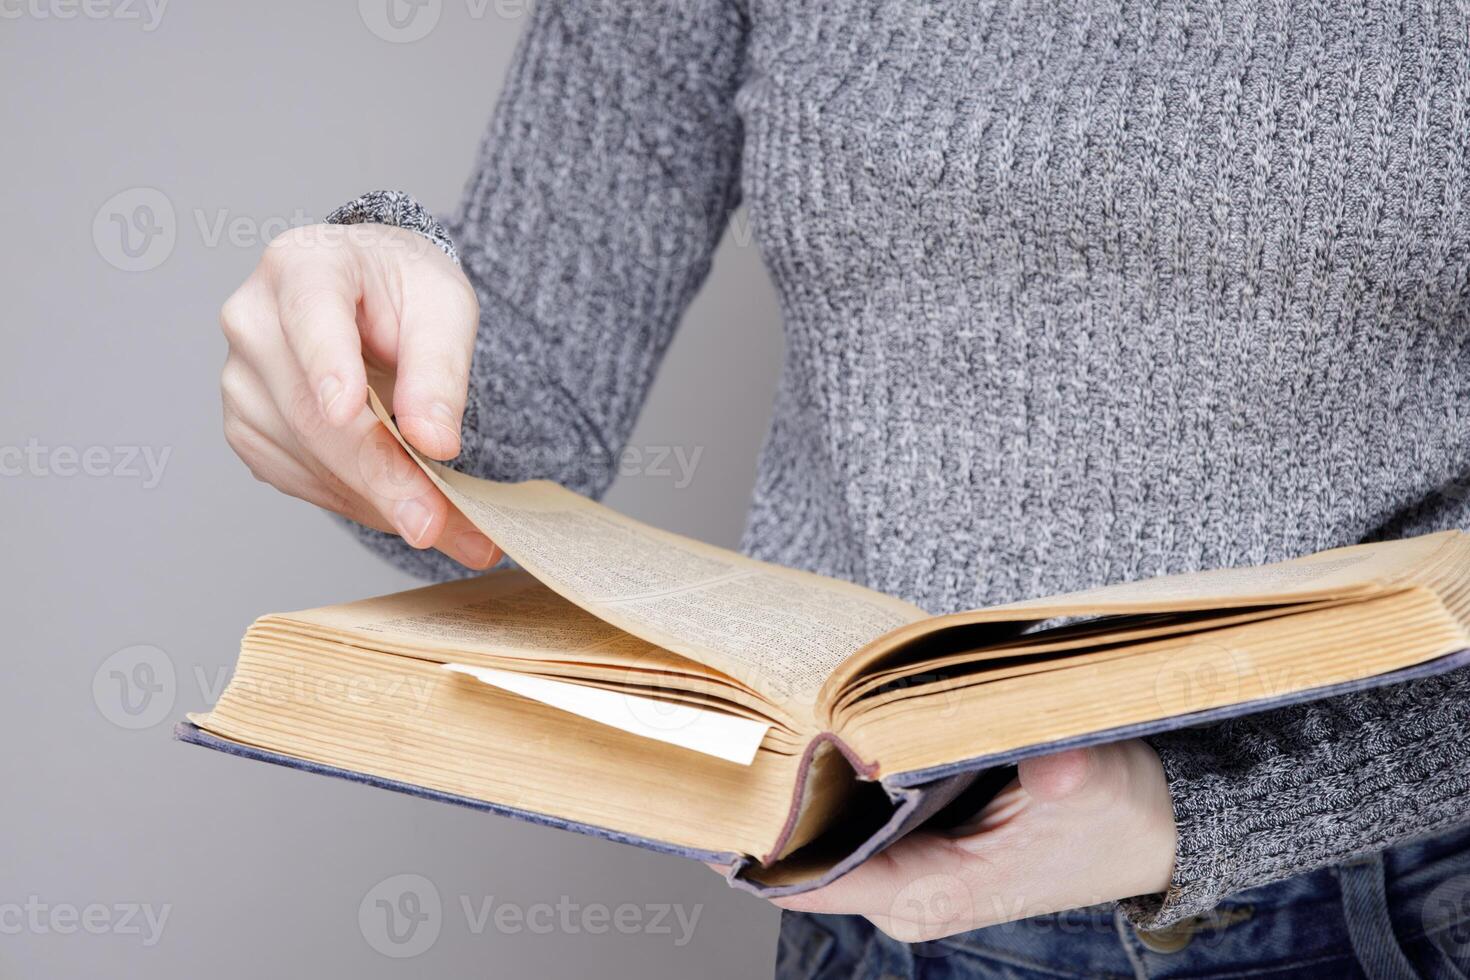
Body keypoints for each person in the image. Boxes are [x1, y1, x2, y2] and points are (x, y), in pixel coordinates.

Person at [216, 1, 1470, 975]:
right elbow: (516, 428)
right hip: (866, 892)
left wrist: (1203, 810)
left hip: (1393, 897)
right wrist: (375, 371)